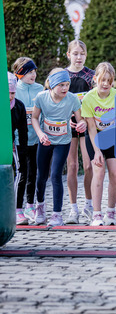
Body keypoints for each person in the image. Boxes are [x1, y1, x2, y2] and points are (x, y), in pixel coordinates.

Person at [32, 69, 86, 226]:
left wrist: (81, 124)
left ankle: (57, 214)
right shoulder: (41, 97)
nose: (65, 88)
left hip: (63, 141)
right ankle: (40, 208)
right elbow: (34, 118)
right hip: (45, 141)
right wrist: (40, 134)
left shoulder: (72, 99)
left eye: (67, 84)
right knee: (41, 176)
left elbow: (80, 119)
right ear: (52, 85)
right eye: (61, 85)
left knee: (56, 174)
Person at [82, 62, 116, 226]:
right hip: (94, 136)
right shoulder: (89, 98)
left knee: (115, 173)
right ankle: (96, 214)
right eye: (103, 80)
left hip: (112, 136)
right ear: (96, 78)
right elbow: (91, 127)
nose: (105, 84)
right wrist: (97, 151)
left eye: (109, 81)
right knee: (99, 171)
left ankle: (110, 213)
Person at [63, 40, 95, 224]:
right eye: (75, 53)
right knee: (73, 166)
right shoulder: (62, 75)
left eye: (82, 53)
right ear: (68, 55)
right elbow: (54, 101)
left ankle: (88, 205)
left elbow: (97, 102)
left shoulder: (91, 76)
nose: (79, 57)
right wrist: (66, 117)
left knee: (89, 165)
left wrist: (86, 120)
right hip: (68, 126)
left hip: (87, 125)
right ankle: (73, 209)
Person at [13, 57, 44, 223]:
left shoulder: (40, 89)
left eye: (34, 71)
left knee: (34, 173)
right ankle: (17, 209)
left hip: (36, 139)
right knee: (22, 174)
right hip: (19, 141)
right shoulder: (14, 90)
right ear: (20, 73)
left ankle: (30, 206)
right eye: (29, 72)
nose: (33, 75)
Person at [9, 73, 29, 225]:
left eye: (13, 93)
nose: (10, 97)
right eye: (7, 93)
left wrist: (22, 151)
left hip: (12, 145)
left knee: (20, 172)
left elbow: (23, 132)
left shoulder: (19, 106)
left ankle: (17, 209)